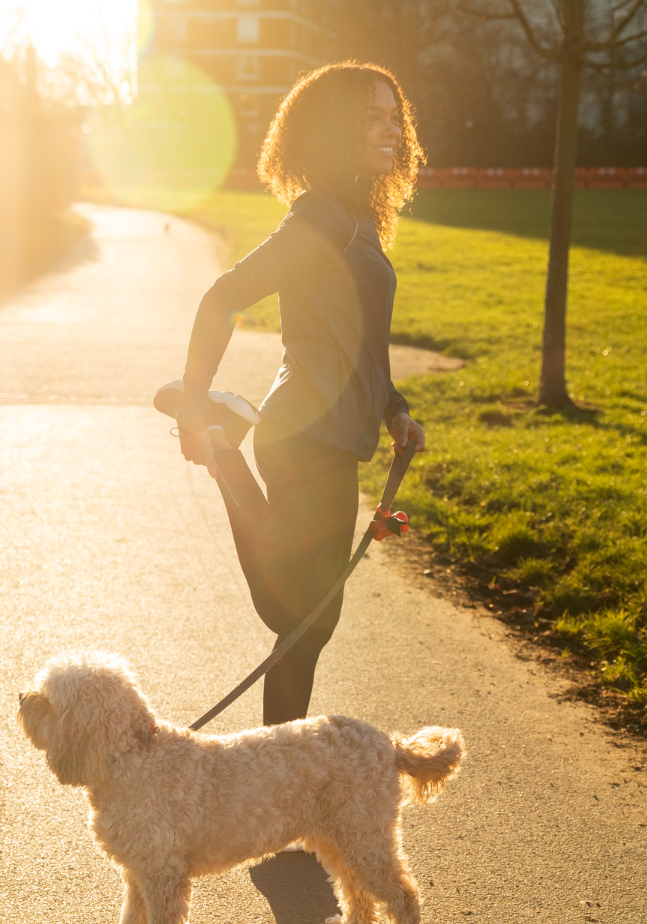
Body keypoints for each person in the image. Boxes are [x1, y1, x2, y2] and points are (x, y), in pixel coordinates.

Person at [162, 62, 427, 727]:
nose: (390, 129)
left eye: (394, 115)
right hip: (307, 433)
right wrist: (193, 398)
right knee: (301, 618)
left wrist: (395, 409)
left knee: (304, 624)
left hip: (328, 433)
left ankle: (280, 795)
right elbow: (224, 296)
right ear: (337, 127)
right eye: (372, 116)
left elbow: (362, 344)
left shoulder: (357, 217)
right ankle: (221, 440)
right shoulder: (321, 219)